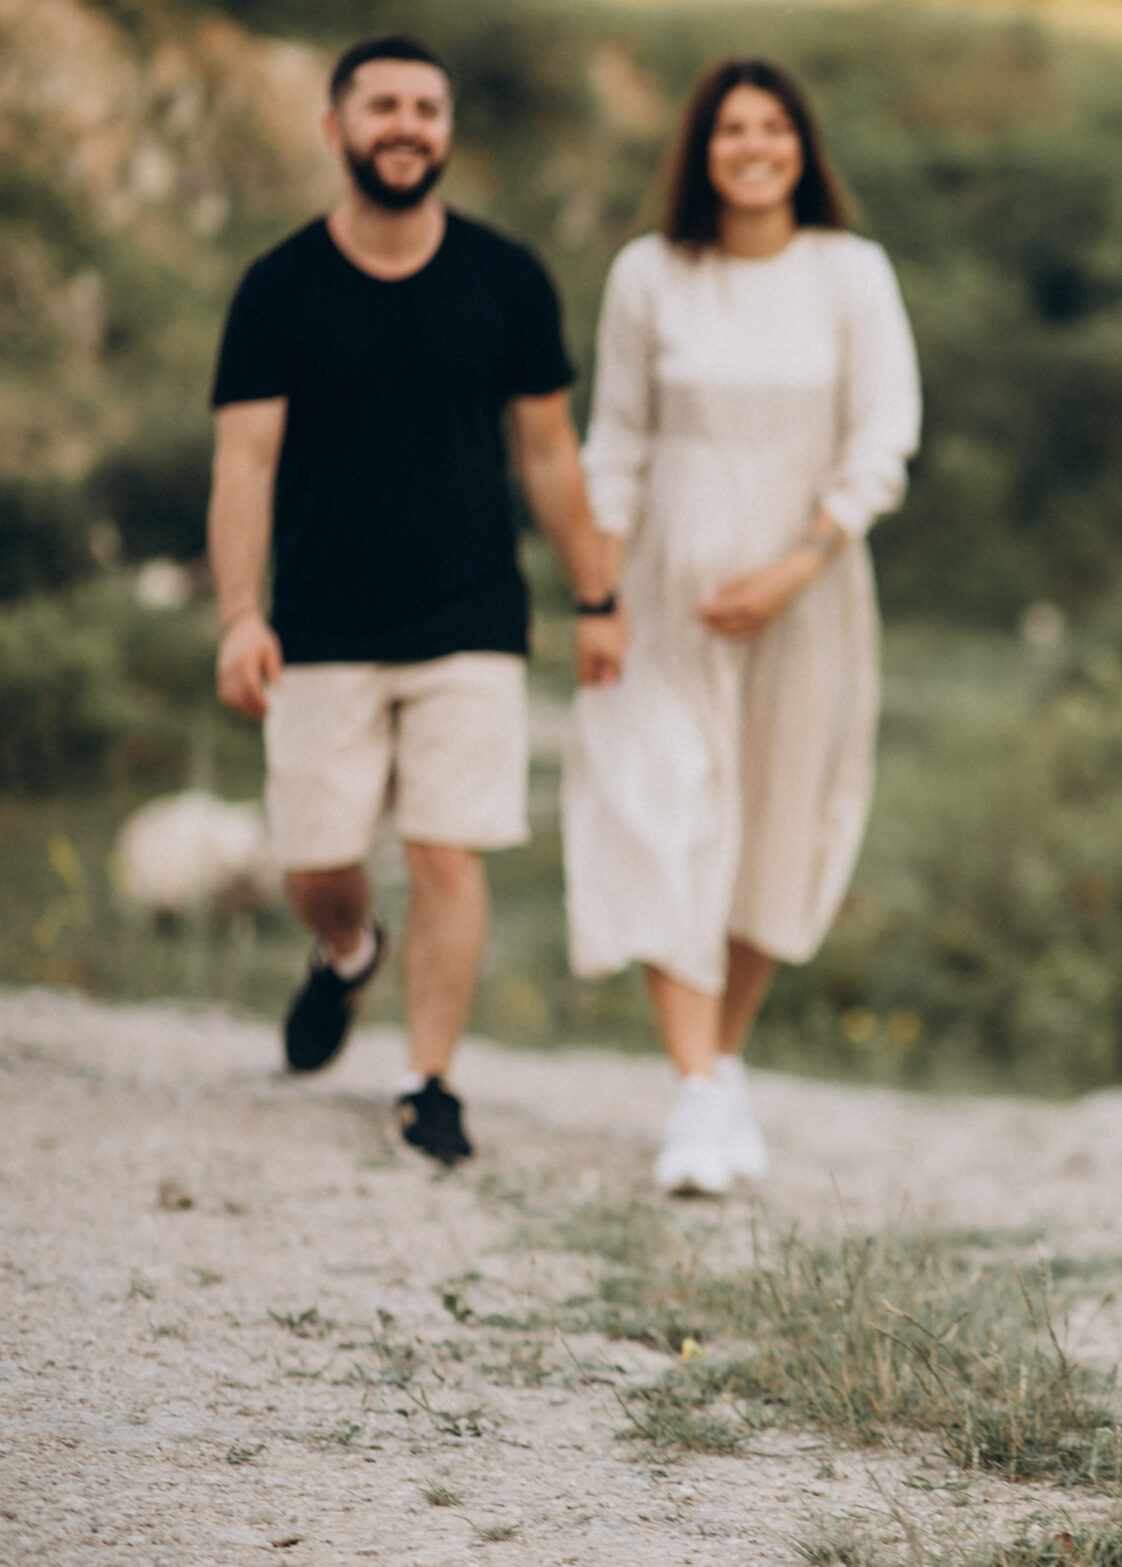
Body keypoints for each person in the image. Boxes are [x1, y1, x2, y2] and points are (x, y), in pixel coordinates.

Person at [208, 33, 624, 1165]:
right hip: (321, 625)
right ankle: (346, 954)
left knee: (449, 851)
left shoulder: (506, 279)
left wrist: (596, 594)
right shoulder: (278, 286)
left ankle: (427, 1080)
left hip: (469, 620)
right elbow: (243, 462)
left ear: (448, 132)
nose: (406, 125)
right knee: (316, 863)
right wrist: (241, 614)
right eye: (382, 105)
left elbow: (547, 455)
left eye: (426, 109)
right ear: (336, 127)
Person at [565, 57, 921, 1195]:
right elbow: (612, 446)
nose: (753, 147)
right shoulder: (649, 275)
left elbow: (882, 440)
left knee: (775, 828)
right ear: (701, 150)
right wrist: (597, 593)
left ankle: (718, 1063)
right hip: (665, 594)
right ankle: (694, 1093)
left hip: (806, 595)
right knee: (659, 814)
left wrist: (793, 567)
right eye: (731, 129)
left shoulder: (849, 273)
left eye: (773, 128)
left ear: (802, 148)